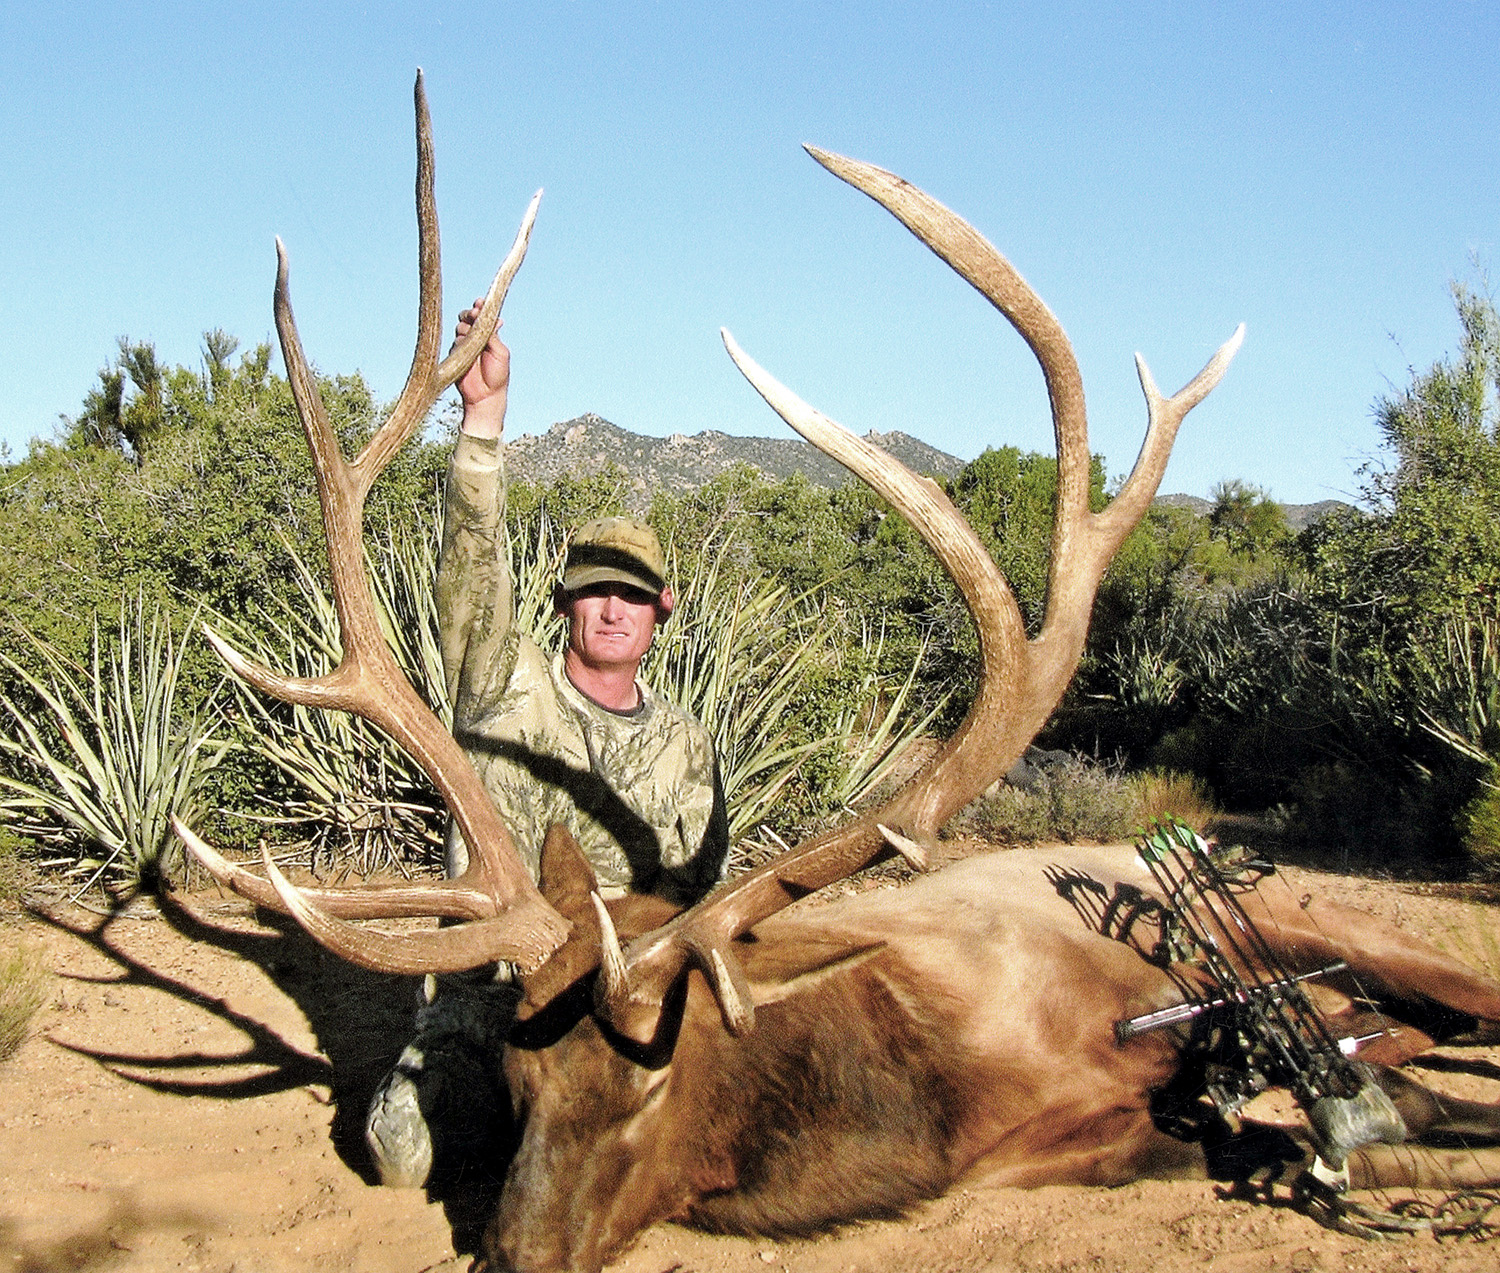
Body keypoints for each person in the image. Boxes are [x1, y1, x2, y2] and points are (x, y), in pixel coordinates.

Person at [364, 305, 729, 1188]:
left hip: (611, 1008)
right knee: (405, 1157)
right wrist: (482, 421)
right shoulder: (502, 682)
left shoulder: (686, 744)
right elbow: (472, 558)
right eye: (593, 592)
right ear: (564, 603)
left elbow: (693, 893)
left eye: (631, 596)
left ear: (661, 612)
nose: (611, 609)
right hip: (492, 1003)